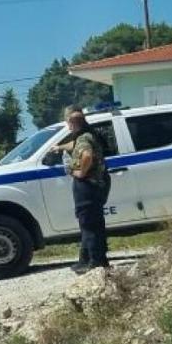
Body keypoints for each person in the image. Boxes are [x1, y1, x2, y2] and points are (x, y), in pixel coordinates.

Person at [52, 108, 111, 274]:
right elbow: (76, 146)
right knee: (92, 222)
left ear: (72, 123)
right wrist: (59, 147)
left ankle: (96, 262)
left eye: (68, 122)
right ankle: (88, 259)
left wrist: (81, 172)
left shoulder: (83, 138)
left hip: (87, 185)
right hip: (96, 184)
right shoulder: (88, 134)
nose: (68, 126)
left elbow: (86, 155)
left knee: (89, 224)